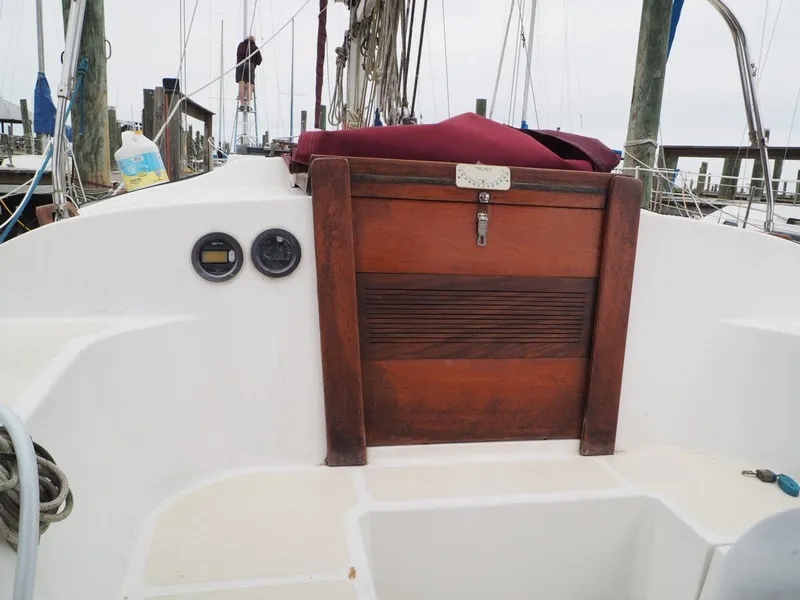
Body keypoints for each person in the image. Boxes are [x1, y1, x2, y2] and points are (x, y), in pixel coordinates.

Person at [236, 35, 262, 112]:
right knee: (249, 84)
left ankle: (242, 104)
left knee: (241, 83)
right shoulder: (255, 47)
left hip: (240, 65)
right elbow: (259, 60)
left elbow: (238, 54)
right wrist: (254, 62)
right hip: (250, 66)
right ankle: (248, 104)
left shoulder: (240, 45)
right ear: (253, 40)